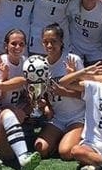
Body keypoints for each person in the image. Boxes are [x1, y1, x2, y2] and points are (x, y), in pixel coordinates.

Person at [34, 24, 85, 160]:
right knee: (40, 149)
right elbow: (43, 95)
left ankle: (82, 137)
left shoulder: (73, 60)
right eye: (45, 42)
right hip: (58, 118)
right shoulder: (40, 65)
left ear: (61, 41)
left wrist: (65, 92)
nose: (49, 45)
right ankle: (62, 138)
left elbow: (88, 94)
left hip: (78, 116)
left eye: (53, 41)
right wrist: (45, 106)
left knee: (65, 152)